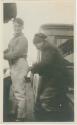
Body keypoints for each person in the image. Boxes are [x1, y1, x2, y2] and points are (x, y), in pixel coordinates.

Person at [30, 33, 73, 121]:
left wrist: (34, 68)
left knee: (45, 99)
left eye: (36, 45)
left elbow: (46, 63)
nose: (36, 47)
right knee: (47, 100)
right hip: (56, 78)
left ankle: (51, 119)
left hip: (58, 79)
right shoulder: (49, 48)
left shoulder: (49, 49)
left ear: (41, 42)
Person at [3, 18, 29, 121]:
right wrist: (6, 52)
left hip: (20, 63)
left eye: (18, 26)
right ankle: (16, 112)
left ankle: (21, 117)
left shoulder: (23, 39)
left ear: (22, 27)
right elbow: (9, 50)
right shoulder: (13, 38)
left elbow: (16, 53)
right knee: (15, 90)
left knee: (19, 91)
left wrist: (5, 55)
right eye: (14, 26)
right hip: (14, 65)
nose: (16, 28)